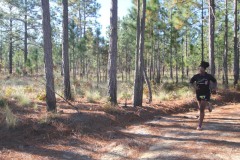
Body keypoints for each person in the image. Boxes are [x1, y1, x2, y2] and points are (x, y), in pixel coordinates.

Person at [190, 61, 217, 130]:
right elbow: (191, 82)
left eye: (201, 67)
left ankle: (199, 125)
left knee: (201, 109)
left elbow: (214, 81)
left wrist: (214, 88)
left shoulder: (208, 76)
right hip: (198, 93)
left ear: (204, 69)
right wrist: (194, 87)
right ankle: (208, 105)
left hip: (206, 93)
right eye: (199, 67)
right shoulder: (196, 76)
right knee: (200, 106)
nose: (200, 68)